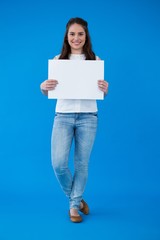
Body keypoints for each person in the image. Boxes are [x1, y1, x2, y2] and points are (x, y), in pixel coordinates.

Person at [40, 17, 109, 223]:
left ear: (86, 36)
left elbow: (99, 94)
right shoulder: (58, 61)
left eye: (80, 34)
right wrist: (43, 87)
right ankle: (77, 200)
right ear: (67, 36)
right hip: (63, 115)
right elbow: (50, 92)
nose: (76, 38)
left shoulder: (94, 61)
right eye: (72, 34)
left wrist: (105, 90)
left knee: (81, 164)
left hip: (89, 117)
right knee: (59, 163)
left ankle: (73, 207)